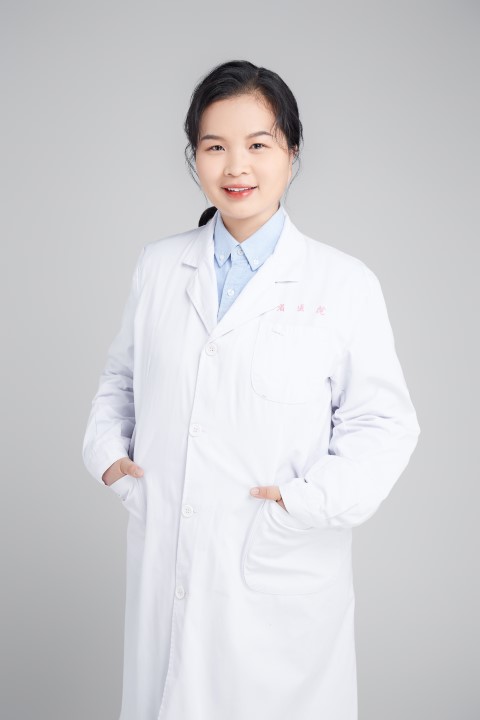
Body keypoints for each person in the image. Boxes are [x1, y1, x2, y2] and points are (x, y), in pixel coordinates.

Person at [82, 59, 420, 720]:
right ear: (195, 158)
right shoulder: (159, 266)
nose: (236, 166)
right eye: (215, 147)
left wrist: (303, 503)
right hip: (168, 559)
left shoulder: (342, 283)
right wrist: (108, 459)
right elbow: (120, 381)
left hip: (277, 569)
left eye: (258, 145)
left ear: (292, 154)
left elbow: (385, 425)